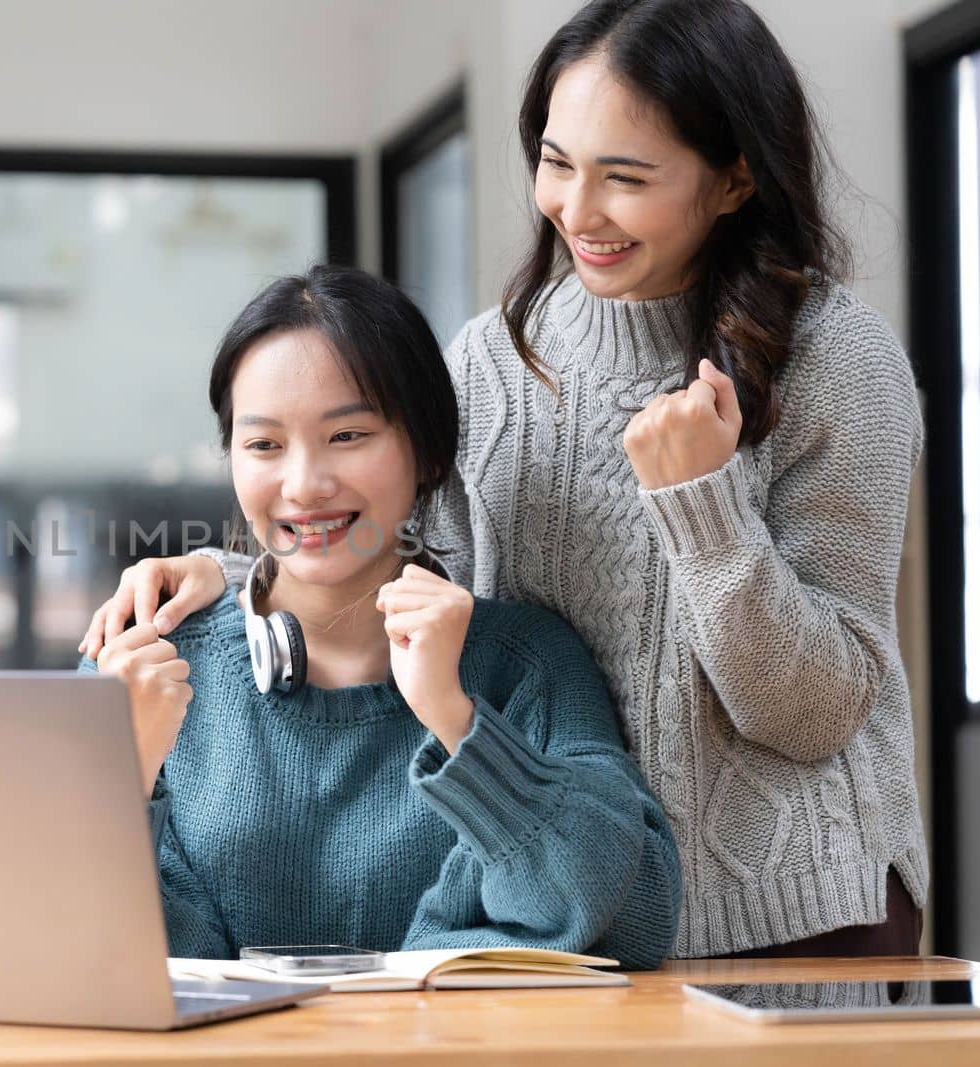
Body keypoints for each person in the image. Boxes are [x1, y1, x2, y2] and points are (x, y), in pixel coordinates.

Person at [80, 0, 925, 959]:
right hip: (558, 904)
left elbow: (813, 711)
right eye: (557, 163)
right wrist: (230, 584)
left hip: (787, 908)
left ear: (734, 180)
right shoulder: (491, 361)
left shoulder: (833, 360)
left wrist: (704, 505)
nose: (575, 208)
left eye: (626, 177)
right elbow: (385, 547)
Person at [80, 265, 680, 968]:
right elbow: (81, 955)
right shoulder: (139, 665)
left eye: (347, 435)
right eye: (264, 445)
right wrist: (127, 778)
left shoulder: (524, 663)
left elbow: (636, 920)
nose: (304, 485)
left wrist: (459, 724)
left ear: (425, 451)